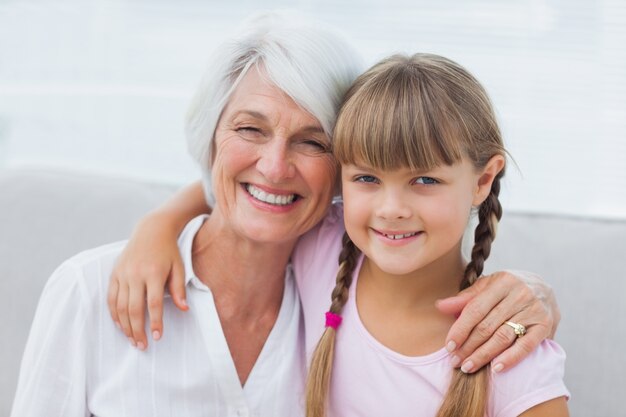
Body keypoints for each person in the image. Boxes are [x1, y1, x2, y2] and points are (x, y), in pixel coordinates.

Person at [13, 11, 557, 417]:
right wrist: (158, 223)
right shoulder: (90, 290)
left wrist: (535, 293)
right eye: (250, 129)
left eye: (312, 142)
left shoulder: (329, 265)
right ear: (210, 136)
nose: (274, 167)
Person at [302, 54, 569, 416]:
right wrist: (192, 209)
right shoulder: (318, 244)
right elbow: (230, 197)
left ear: (483, 181)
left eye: (425, 180)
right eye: (367, 178)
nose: (391, 208)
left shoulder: (510, 353)